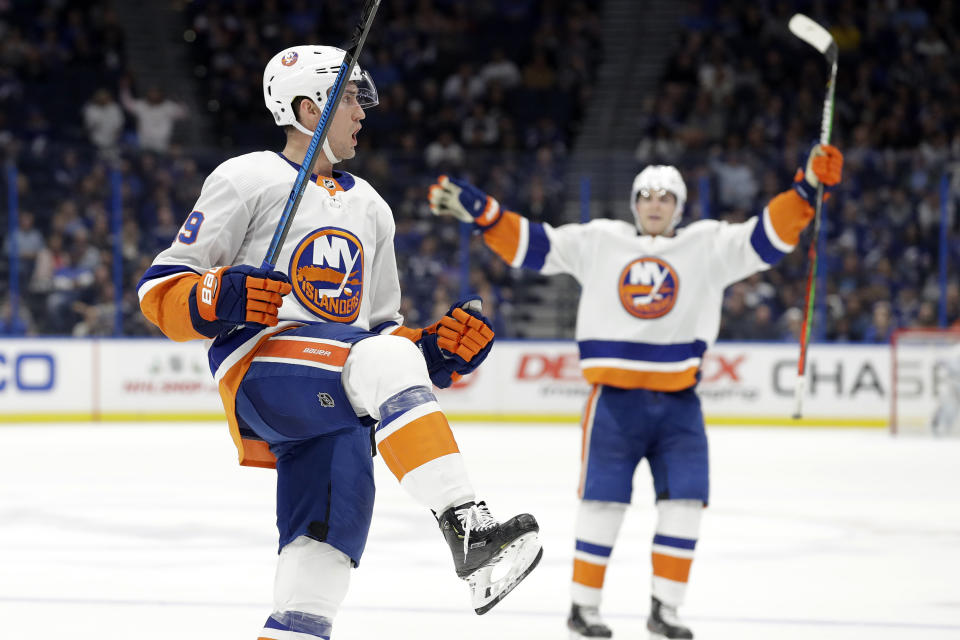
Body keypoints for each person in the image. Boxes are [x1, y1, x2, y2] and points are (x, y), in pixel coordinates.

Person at [137, 45, 541, 640]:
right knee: (382, 364)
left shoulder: (373, 208)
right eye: (349, 98)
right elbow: (159, 289)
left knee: (318, 566)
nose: (361, 112)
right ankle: (468, 527)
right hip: (262, 366)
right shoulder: (246, 177)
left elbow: (379, 332)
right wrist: (216, 296)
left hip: (336, 394)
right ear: (308, 108)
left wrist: (433, 351)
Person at [429, 144, 844, 639]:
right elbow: (536, 246)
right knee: (602, 506)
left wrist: (804, 190)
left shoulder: (707, 244)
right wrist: (485, 213)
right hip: (615, 402)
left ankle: (665, 609)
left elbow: (767, 238)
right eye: (646, 194)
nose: (655, 202)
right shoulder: (601, 239)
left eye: (666, 196)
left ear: (679, 205)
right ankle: (583, 609)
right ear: (633, 202)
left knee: (686, 504)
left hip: (679, 405)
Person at [931, 342, 960, 436]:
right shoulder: (955, 349)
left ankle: (944, 430)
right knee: (949, 407)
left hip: (954, 382)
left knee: (953, 412)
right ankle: (937, 428)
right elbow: (940, 359)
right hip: (953, 382)